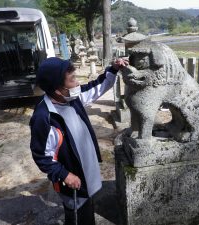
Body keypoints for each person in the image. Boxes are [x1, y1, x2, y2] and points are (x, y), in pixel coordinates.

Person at [30, 57, 128, 225]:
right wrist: (64, 174)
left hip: (85, 173)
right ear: (57, 90)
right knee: (77, 214)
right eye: (72, 79)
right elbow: (41, 156)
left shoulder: (72, 98)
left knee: (87, 207)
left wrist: (113, 69)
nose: (77, 83)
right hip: (72, 180)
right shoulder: (44, 117)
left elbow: (97, 87)